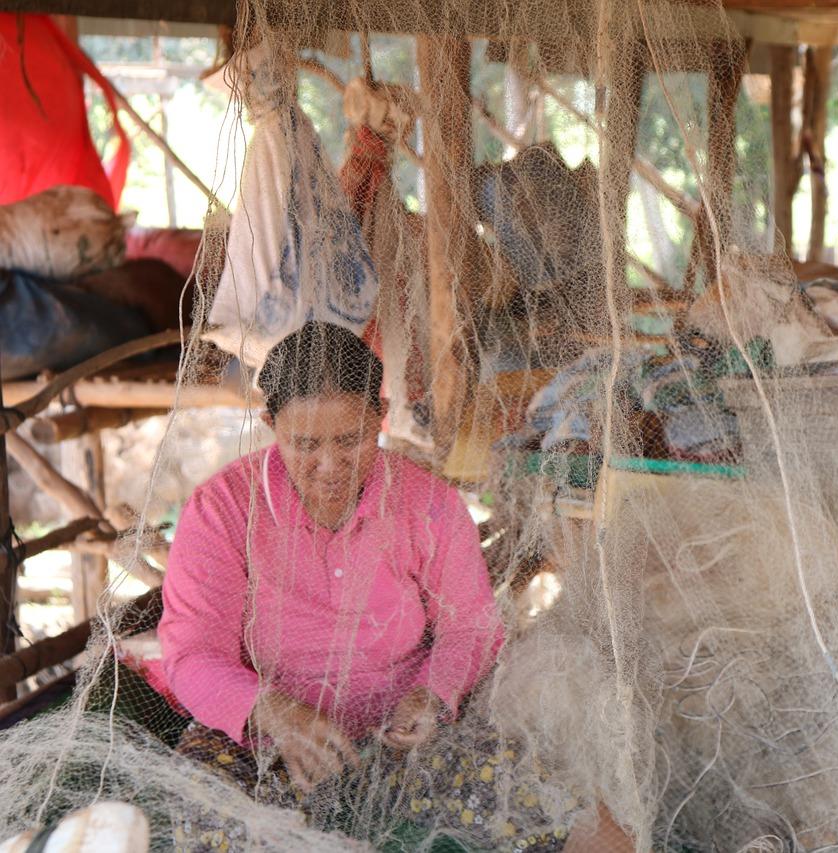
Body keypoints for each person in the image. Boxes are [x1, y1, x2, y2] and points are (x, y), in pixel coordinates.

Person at [159, 321, 632, 852]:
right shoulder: (222, 509)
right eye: (305, 444)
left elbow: (470, 628)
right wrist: (277, 714)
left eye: (351, 440)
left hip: (404, 743)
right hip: (264, 742)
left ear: (380, 417)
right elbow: (193, 654)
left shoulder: (429, 505)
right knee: (208, 819)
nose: (330, 466)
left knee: (577, 821)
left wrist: (431, 697)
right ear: (271, 424)